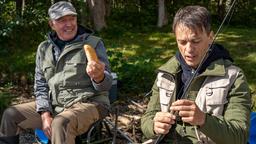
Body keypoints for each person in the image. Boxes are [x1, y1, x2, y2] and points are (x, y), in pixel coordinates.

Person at [0, 1, 112, 144]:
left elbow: (106, 85)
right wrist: (45, 115)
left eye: (72, 19)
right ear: (52, 24)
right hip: (56, 105)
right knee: (11, 115)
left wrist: (99, 77)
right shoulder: (44, 49)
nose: (69, 24)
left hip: (91, 104)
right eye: (62, 20)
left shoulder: (93, 44)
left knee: (60, 123)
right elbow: (40, 86)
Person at [141, 5, 251, 144]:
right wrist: (154, 126)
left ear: (210, 37)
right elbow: (146, 119)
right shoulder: (166, 74)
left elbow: (239, 136)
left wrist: (203, 120)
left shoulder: (233, 77)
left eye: (195, 41)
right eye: (182, 42)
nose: (189, 49)